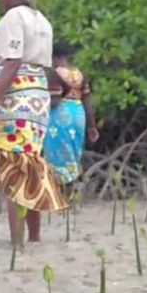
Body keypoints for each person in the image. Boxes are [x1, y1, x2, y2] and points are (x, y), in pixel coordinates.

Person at [0, 0, 67, 244]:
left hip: (15, 101)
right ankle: (33, 237)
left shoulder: (14, 17)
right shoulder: (42, 20)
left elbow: (12, 63)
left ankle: (17, 242)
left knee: (14, 170)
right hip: (35, 101)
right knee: (31, 167)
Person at [44, 42, 98, 187]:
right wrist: (91, 126)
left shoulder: (55, 74)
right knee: (73, 149)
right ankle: (72, 182)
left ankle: (59, 186)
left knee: (57, 150)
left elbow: (54, 101)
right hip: (78, 114)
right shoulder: (80, 74)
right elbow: (87, 101)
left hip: (61, 114)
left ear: (53, 56)